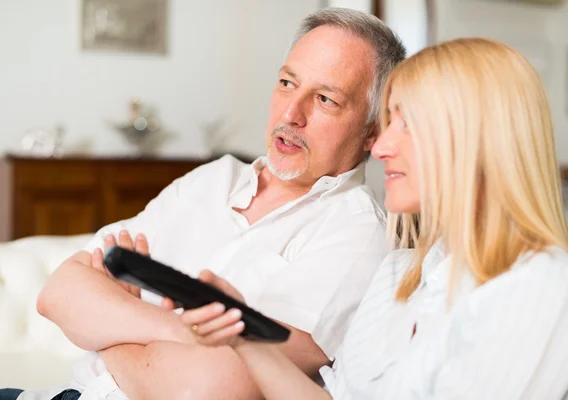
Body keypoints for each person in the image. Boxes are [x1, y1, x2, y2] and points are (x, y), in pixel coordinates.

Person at [0, 8, 407, 400]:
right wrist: (180, 332)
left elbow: (206, 388)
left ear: (372, 131)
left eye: (325, 99)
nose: (291, 114)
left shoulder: (357, 235)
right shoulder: (213, 180)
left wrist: (109, 325)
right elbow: (58, 293)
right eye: (287, 82)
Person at [179, 37, 568, 399]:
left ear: (480, 139)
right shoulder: (398, 274)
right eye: (388, 123)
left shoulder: (541, 283)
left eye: (409, 124)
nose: (380, 147)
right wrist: (244, 334)